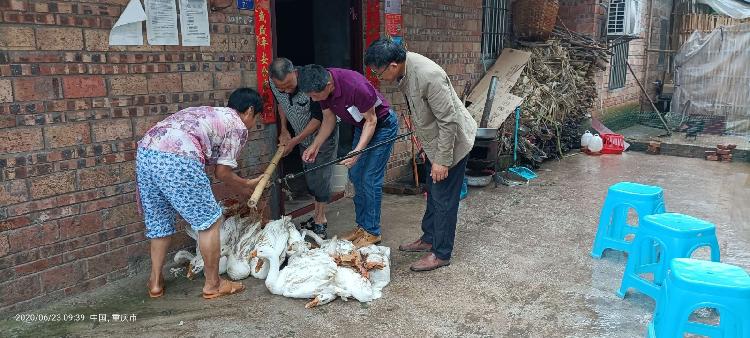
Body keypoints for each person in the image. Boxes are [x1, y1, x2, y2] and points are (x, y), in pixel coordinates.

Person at [136, 88, 264, 299]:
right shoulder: (237, 126)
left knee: (159, 222)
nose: (253, 123)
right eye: (255, 118)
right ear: (250, 111)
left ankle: (155, 282)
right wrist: (245, 184)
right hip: (178, 157)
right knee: (210, 222)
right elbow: (222, 172)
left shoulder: (208, 112)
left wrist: (241, 185)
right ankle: (213, 284)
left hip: (147, 153)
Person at [365, 38, 477, 271]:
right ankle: (428, 238)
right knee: (432, 189)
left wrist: (442, 161)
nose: (378, 77)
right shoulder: (405, 71)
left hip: (452, 144)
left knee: (444, 198)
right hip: (434, 143)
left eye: (378, 72)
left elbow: (449, 121)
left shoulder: (429, 76)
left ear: (393, 65)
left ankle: (441, 253)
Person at [297, 64, 398, 248]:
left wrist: (357, 152)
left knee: (369, 178)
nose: (313, 99)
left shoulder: (356, 86)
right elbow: (328, 119)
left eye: (314, 96)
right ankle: (362, 227)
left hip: (382, 126)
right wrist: (315, 145)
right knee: (356, 175)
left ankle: (372, 232)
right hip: (362, 127)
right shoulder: (322, 86)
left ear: (328, 85)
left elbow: (372, 120)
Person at [269, 58, 338, 238]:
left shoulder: (310, 84)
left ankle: (320, 220)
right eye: (281, 87)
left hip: (322, 136)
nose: (285, 89)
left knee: (320, 176)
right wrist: (284, 130)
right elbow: (281, 104)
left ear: (294, 72)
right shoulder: (275, 84)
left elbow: (318, 119)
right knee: (310, 176)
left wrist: (294, 141)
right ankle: (316, 216)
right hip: (301, 137)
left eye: (288, 85)